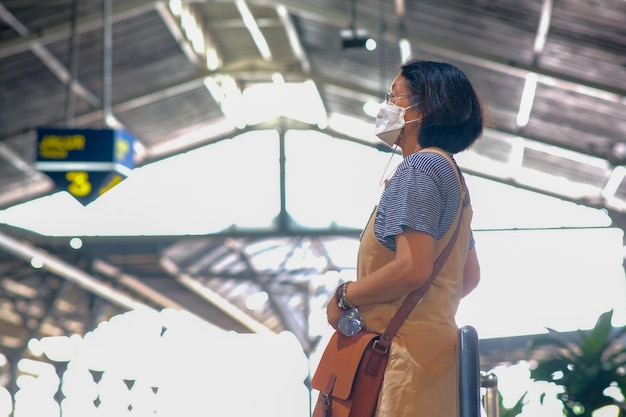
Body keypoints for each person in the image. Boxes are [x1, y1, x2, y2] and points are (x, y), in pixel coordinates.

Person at [326, 59, 484, 417]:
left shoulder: (419, 168)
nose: (387, 106)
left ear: (424, 109)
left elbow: (412, 268)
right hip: (437, 365)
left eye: (394, 96)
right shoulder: (451, 175)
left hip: (399, 366)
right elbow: (468, 277)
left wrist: (344, 297)